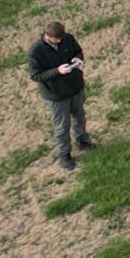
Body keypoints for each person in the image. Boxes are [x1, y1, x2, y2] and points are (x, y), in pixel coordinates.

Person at [27, 20, 94, 170]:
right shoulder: (36, 52)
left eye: (61, 38)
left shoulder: (67, 38)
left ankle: (83, 140)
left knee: (79, 116)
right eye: (57, 39)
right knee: (62, 126)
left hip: (75, 87)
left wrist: (78, 59)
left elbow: (78, 51)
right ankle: (65, 155)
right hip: (56, 95)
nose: (60, 41)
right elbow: (36, 75)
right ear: (48, 36)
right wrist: (57, 71)